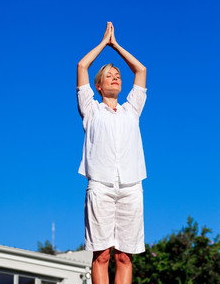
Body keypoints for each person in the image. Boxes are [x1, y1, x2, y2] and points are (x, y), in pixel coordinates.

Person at [76, 22, 147, 284]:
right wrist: (103, 44)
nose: (115, 77)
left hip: (131, 186)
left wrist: (116, 46)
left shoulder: (132, 109)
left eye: (117, 74)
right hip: (100, 186)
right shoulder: (90, 109)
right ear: (98, 86)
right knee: (102, 255)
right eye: (108, 75)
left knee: (124, 258)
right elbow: (82, 66)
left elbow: (140, 69)